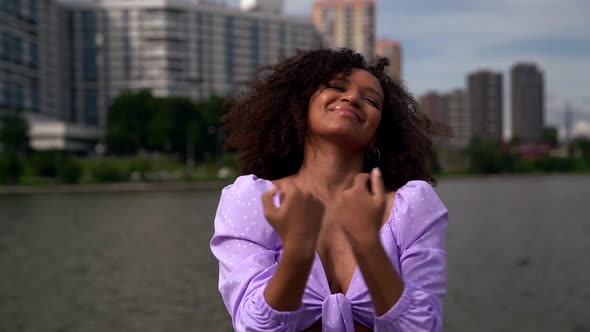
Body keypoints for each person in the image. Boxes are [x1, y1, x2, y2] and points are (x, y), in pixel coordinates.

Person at [210, 48, 448, 332]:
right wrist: (298, 248)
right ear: (300, 107)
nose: (352, 98)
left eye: (371, 100)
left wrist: (367, 242)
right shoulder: (252, 200)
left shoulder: (412, 205)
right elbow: (254, 326)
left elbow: (423, 327)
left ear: (379, 133)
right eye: (336, 87)